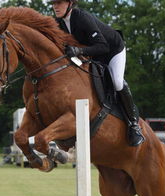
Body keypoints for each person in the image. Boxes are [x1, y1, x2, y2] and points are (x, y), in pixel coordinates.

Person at [49, 0, 145, 146]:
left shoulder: (82, 18)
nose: (55, 6)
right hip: (93, 55)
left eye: (59, 2)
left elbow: (103, 46)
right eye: (53, 3)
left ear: (70, 3)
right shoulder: (58, 23)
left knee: (117, 82)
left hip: (112, 50)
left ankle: (134, 125)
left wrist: (79, 51)